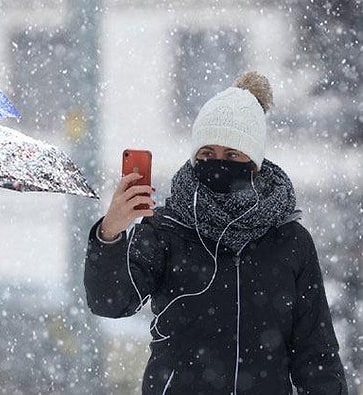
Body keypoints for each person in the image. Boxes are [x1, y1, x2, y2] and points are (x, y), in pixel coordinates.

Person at [84, 72, 348, 394]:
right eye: (207, 153)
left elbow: (316, 356)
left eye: (232, 155)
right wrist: (110, 233)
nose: (218, 163)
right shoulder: (166, 229)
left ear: (254, 163)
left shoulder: (291, 241)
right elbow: (109, 302)